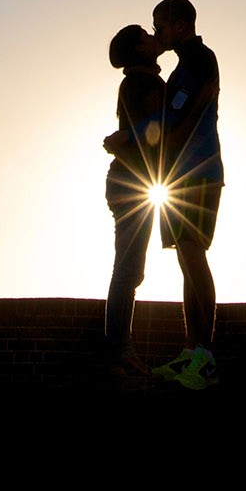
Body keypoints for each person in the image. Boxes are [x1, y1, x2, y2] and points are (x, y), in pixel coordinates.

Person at [148, 0, 221, 391]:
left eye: (159, 25)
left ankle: (205, 357)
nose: (157, 32)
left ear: (179, 25)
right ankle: (192, 350)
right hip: (178, 176)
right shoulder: (180, 68)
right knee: (185, 259)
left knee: (193, 256)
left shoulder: (200, 59)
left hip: (199, 171)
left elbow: (188, 118)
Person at [100, 23, 165, 376]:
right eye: (146, 33)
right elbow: (158, 127)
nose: (154, 36)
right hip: (133, 184)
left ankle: (120, 349)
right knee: (128, 269)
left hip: (130, 182)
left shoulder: (137, 80)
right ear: (140, 48)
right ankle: (119, 351)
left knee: (129, 267)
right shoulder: (145, 82)